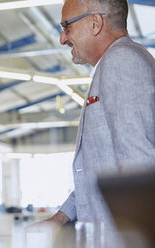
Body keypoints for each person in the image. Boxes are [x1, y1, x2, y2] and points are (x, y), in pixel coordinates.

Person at [26, 0, 155, 245]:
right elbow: (102, 172)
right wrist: (60, 218)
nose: (62, 38)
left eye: (67, 26)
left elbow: (139, 169)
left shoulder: (123, 62)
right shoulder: (111, 64)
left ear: (95, 23)